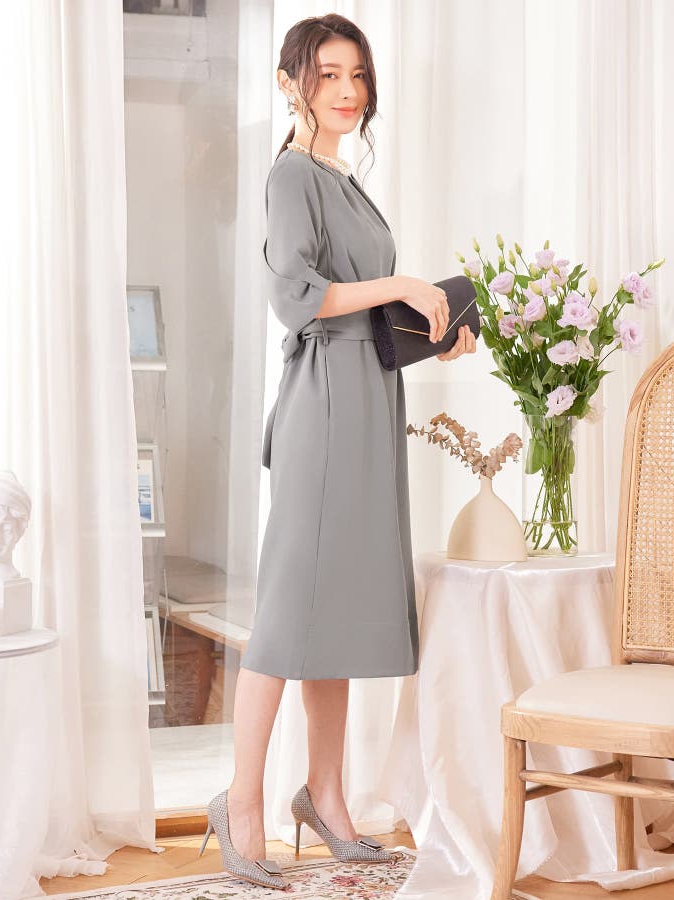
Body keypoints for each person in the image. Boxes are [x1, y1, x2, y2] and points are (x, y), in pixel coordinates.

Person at [199, 14, 477, 891]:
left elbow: (360, 311)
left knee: (337, 612)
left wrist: (434, 331)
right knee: (288, 617)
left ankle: (326, 797)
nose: (348, 91)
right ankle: (241, 803)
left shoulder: (342, 178)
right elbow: (298, 296)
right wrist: (402, 283)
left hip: (367, 396)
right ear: (293, 83)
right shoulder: (292, 175)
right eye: (328, 74)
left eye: (357, 74)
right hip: (324, 408)